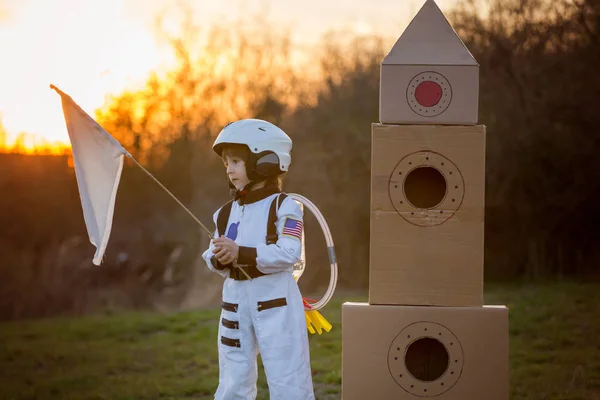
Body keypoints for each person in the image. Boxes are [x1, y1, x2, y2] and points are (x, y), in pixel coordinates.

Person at [202, 119, 315, 400]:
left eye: (237, 161)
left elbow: (289, 253)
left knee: (288, 378)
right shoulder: (225, 213)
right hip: (235, 301)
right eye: (226, 163)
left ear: (264, 162)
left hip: (275, 301)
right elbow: (210, 254)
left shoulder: (285, 206)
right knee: (232, 376)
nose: (229, 169)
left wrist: (241, 253)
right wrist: (220, 258)